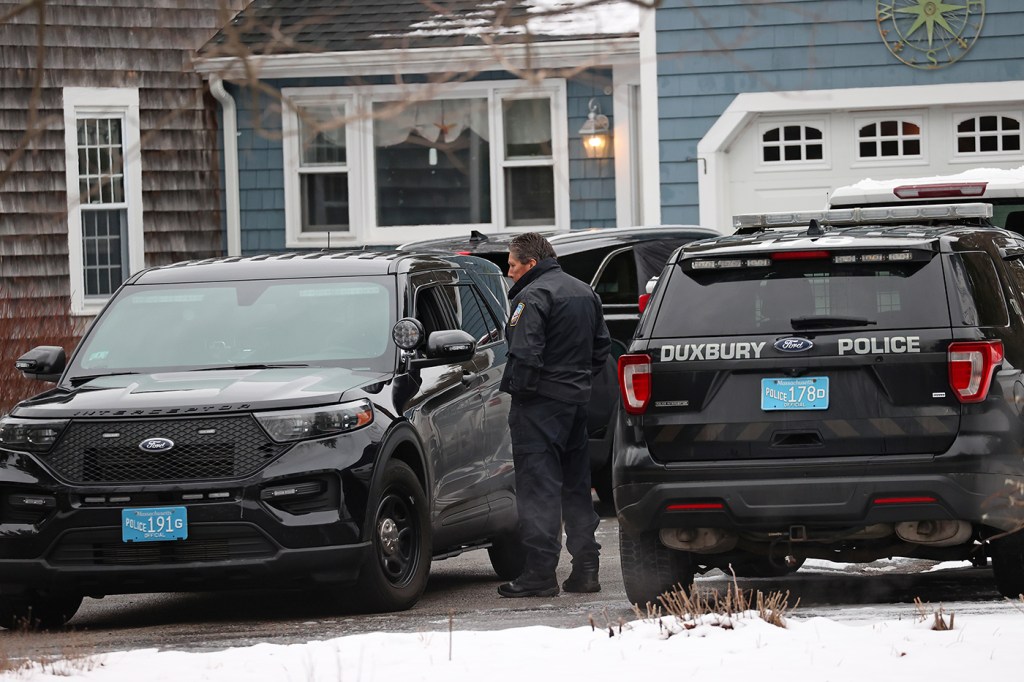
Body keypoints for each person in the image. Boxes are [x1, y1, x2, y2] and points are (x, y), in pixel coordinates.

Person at [498, 232, 611, 598]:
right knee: (576, 487)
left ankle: (540, 574)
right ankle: (586, 569)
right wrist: (576, 383)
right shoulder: (584, 291)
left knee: (538, 488)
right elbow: (602, 350)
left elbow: (525, 354)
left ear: (530, 263)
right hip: (576, 404)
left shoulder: (533, 296)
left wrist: (524, 393)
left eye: (513, 264)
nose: (509, 271)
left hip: (539, 407)